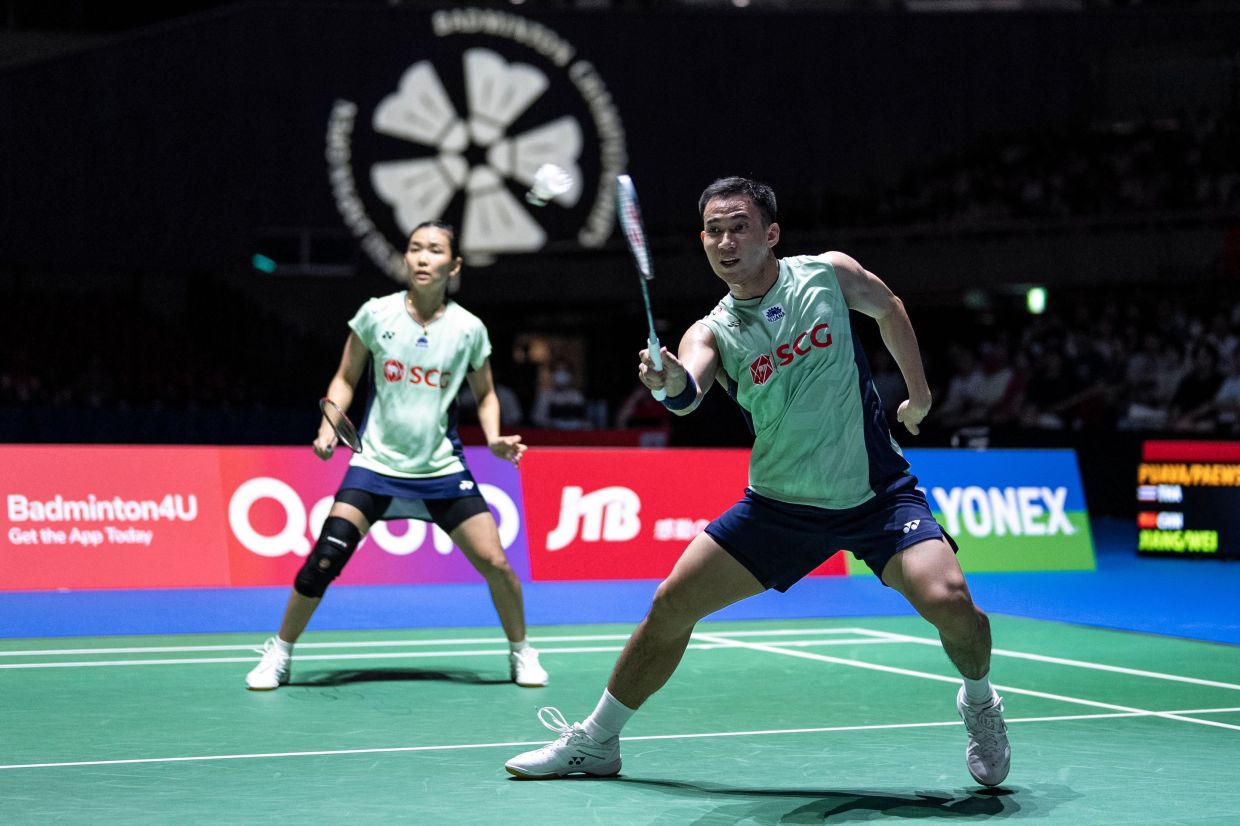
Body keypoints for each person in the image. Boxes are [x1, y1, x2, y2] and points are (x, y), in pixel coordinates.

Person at [505, 177, 1009, 786]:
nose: (725, 240)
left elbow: (889, 308)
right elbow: (688, 389)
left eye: (738, 225)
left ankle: (980, 702)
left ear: (770, 234)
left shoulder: (827, 275)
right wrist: (666, 380)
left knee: (950, 603)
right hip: (780, 506)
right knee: (670, 605)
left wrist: (919, 396)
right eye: (713, 230)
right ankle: (597, 741)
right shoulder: (712, 330)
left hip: (874, 494)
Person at [245, 221, 547, 691]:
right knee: (325, 556)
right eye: (415, 249)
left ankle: (521, 651)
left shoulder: (468, 329)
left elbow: (485, 394)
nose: (423, 258)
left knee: (497, 563)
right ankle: (279, 653)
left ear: (455, 265)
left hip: (441, 468)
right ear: (405, 260)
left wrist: (493, 438)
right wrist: (329, 427)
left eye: (435, 250)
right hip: (376, 466)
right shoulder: (375, 315)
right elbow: (345, 378)